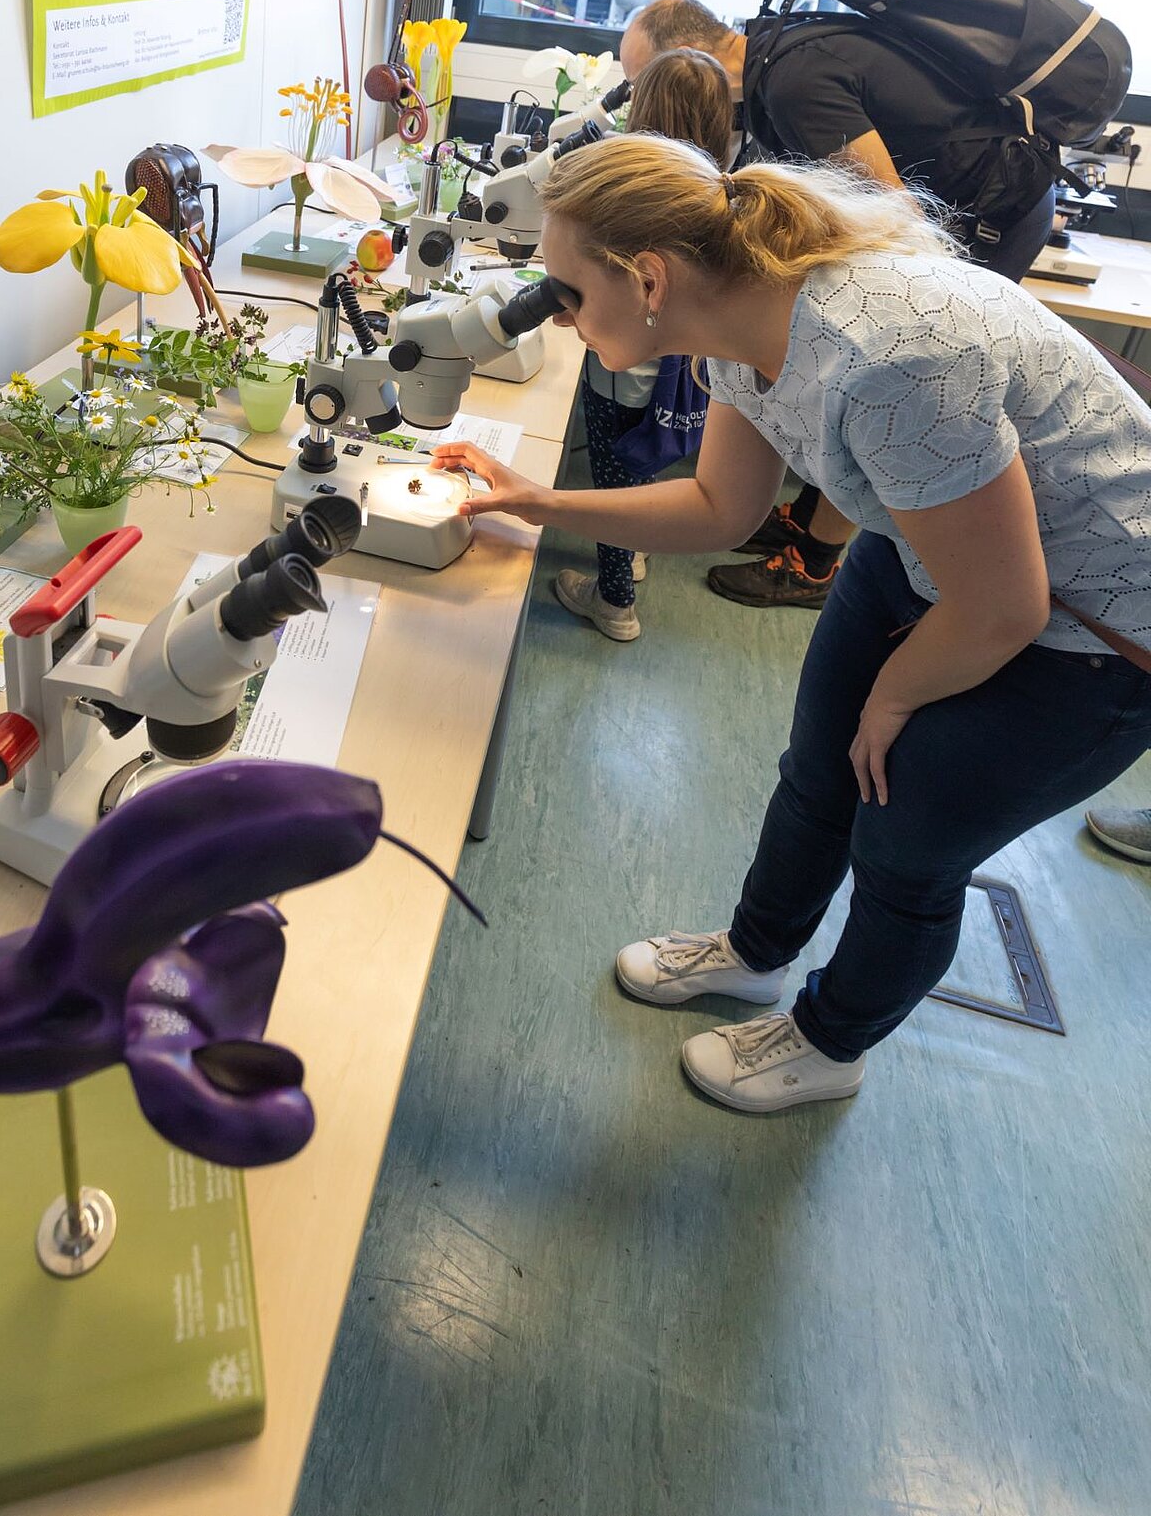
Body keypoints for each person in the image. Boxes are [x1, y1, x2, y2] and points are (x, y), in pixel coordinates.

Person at [433, 133, 1151, 1116]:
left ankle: (830, 1042)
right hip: (928, 550)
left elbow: (1002, 606)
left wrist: (891, 697)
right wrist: (536, 503)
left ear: (646, 276)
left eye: (565, 294)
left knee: (906, 838)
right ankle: (755, 954)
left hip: (1097, 626)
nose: (558, 319)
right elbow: (719, 508)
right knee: (815, 769)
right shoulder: (736, 313)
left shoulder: (885, 354)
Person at [624, 0, 1059, 611]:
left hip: (988, 217)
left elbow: (899, 226)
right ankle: (806, 518)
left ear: (688, 61)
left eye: (638, 82)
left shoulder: (796, 84)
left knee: (874, 368)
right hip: (957, 204)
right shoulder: (778, 62)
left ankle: (817, 562)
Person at [554, 48, 733, 642]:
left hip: (623, 373)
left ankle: (615, 603)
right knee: (646, 459)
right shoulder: (711, 187)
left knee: (612, 486)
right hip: (681, 375)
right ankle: (633, 552)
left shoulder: (632, 191)